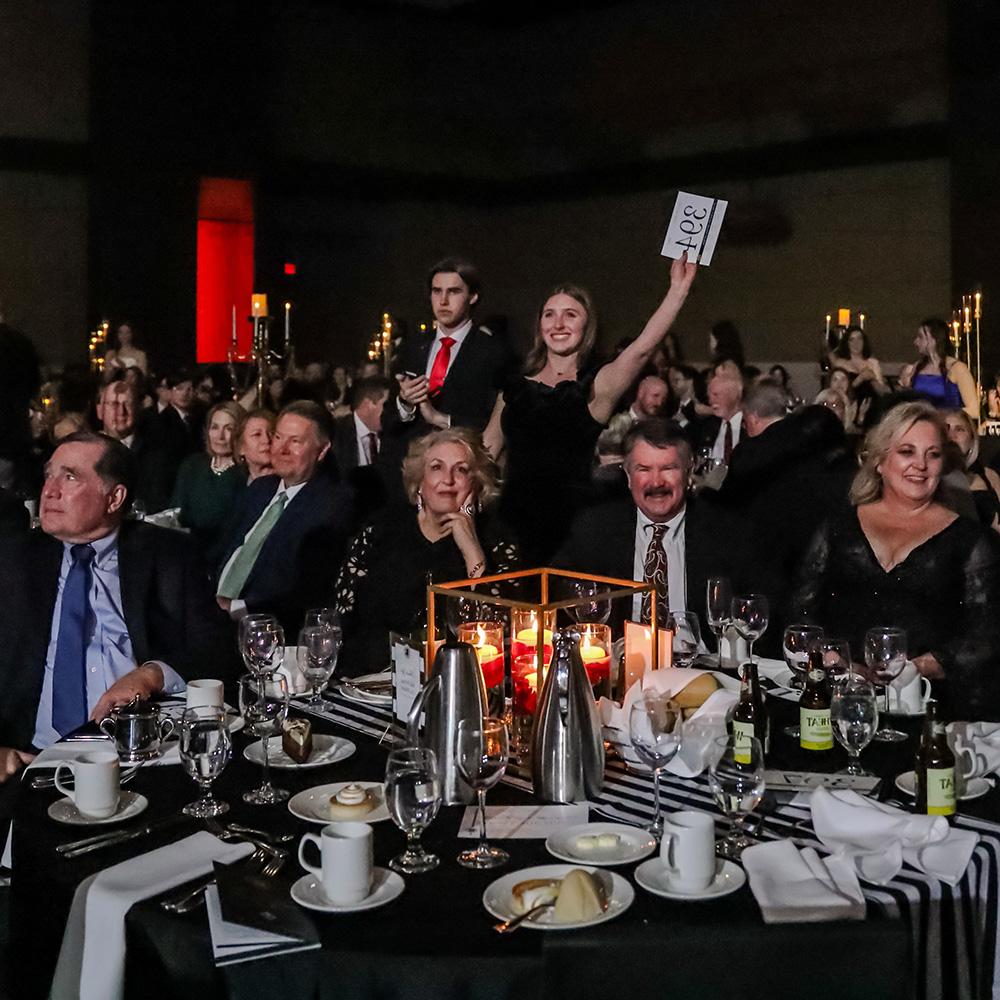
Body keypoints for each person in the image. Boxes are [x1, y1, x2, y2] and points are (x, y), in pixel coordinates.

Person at [0, 431, 234, 787]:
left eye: (70, 477)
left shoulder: (167, 555)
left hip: (137, 754)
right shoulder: (15, 560)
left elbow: (218, 649)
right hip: (33, 759)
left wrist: (151, 675)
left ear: (114, 498)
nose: (49, 490)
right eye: (49, 475)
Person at [790, 401, 1000, 720]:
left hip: (932, 710)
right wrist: (832, 658)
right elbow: (800, 608)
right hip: (841, 702)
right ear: (879, 461)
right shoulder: (837, 528)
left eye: (932, 454)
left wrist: (917, 668)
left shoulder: (970, 539)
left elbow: (986, 634)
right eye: (907, 452)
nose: (920, 465)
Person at [484, 256, 697, 565]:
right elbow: (486, 450)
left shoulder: (596, 385)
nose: (558, 324)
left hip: (572, 527)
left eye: (570, 315)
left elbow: (641, 350)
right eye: (550, 315)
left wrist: (678, 290)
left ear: (587, 326)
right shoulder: (515, 385)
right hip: (512, 524)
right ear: (539, 324)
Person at [334, 428, 518, 676]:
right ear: (419, 481)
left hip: (453, 683)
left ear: (477, 483)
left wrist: (472, 551)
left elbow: (500, 635)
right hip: (368, 680)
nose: (448, 479)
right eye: (436, 467)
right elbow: (342, 617)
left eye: (461, 469)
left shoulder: (497, 543)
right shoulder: (379, 532)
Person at [553, 419, 752, 642]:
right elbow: (558, 601)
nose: (656, 482)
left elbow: (755, 614)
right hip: (621, 662)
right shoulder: (594, 529)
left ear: (688, 472)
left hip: (700, 666)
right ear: (628, 477)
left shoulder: (728, 532)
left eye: (668, 468)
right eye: (644, 469)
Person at [709, 381, 853, 627]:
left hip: (760, 569)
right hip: (811, 572)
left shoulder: (753, 453)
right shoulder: (830, 464)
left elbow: (726, 511)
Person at [215, 400, 355, 636]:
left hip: (268, 628)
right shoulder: (260, 490)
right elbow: (223, 549)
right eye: (278, 437)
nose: (281, 449)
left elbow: (304, 590)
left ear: (321, 451)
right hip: (214, 613)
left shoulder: (333, 505)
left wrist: (236, 608)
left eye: (296, 441)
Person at [387, 257, 514, 437]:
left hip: (464, 458)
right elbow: (387, 421)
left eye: (453, 291)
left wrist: (442, 419)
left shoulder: (495, 353)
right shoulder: (411, 348)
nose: (443, 301)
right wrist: (406, 404)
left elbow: (499, 423)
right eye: (437, 291)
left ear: (473, 296)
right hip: (412, 460)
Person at [170, 401, 246, 555]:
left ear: (240, 433)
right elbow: (175, 512)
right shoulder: (192, 465)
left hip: (221, 555)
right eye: (215, 427)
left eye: (229, 428)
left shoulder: (244, 475)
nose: (220, 436)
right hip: (183, 550)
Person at [899, 317, 979, 421]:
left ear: (934, 340)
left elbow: (974, 411)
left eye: (920, 337)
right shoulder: (917, 367)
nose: (916, 342)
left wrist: (941, 414)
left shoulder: (957, 368)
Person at [944, 408, 1000, 531]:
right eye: (945, 428)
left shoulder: (989, 476)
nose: (951, 436)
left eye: (960, 429)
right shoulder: (928, 478)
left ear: (971, 440)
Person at [697, 371, 744, 462]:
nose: (711, 401)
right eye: (709, 396)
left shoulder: (751, 426)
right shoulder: (708, 426)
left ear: (734, 395)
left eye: (716, 395)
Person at [828, 325, 887, 393]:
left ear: (864, 342)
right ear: (847, 343)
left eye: (859, 339)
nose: (856, 343)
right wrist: (860, 378)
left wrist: (873, 379)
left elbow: (882, 391)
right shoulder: (840, 364)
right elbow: (837, 391)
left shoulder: (873, 363)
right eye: (852, 340)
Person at [233, 408, 275, 482]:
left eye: (271, 433)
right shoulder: (236, 488)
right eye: (257, 434)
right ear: (240, 447)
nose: (267, 440)